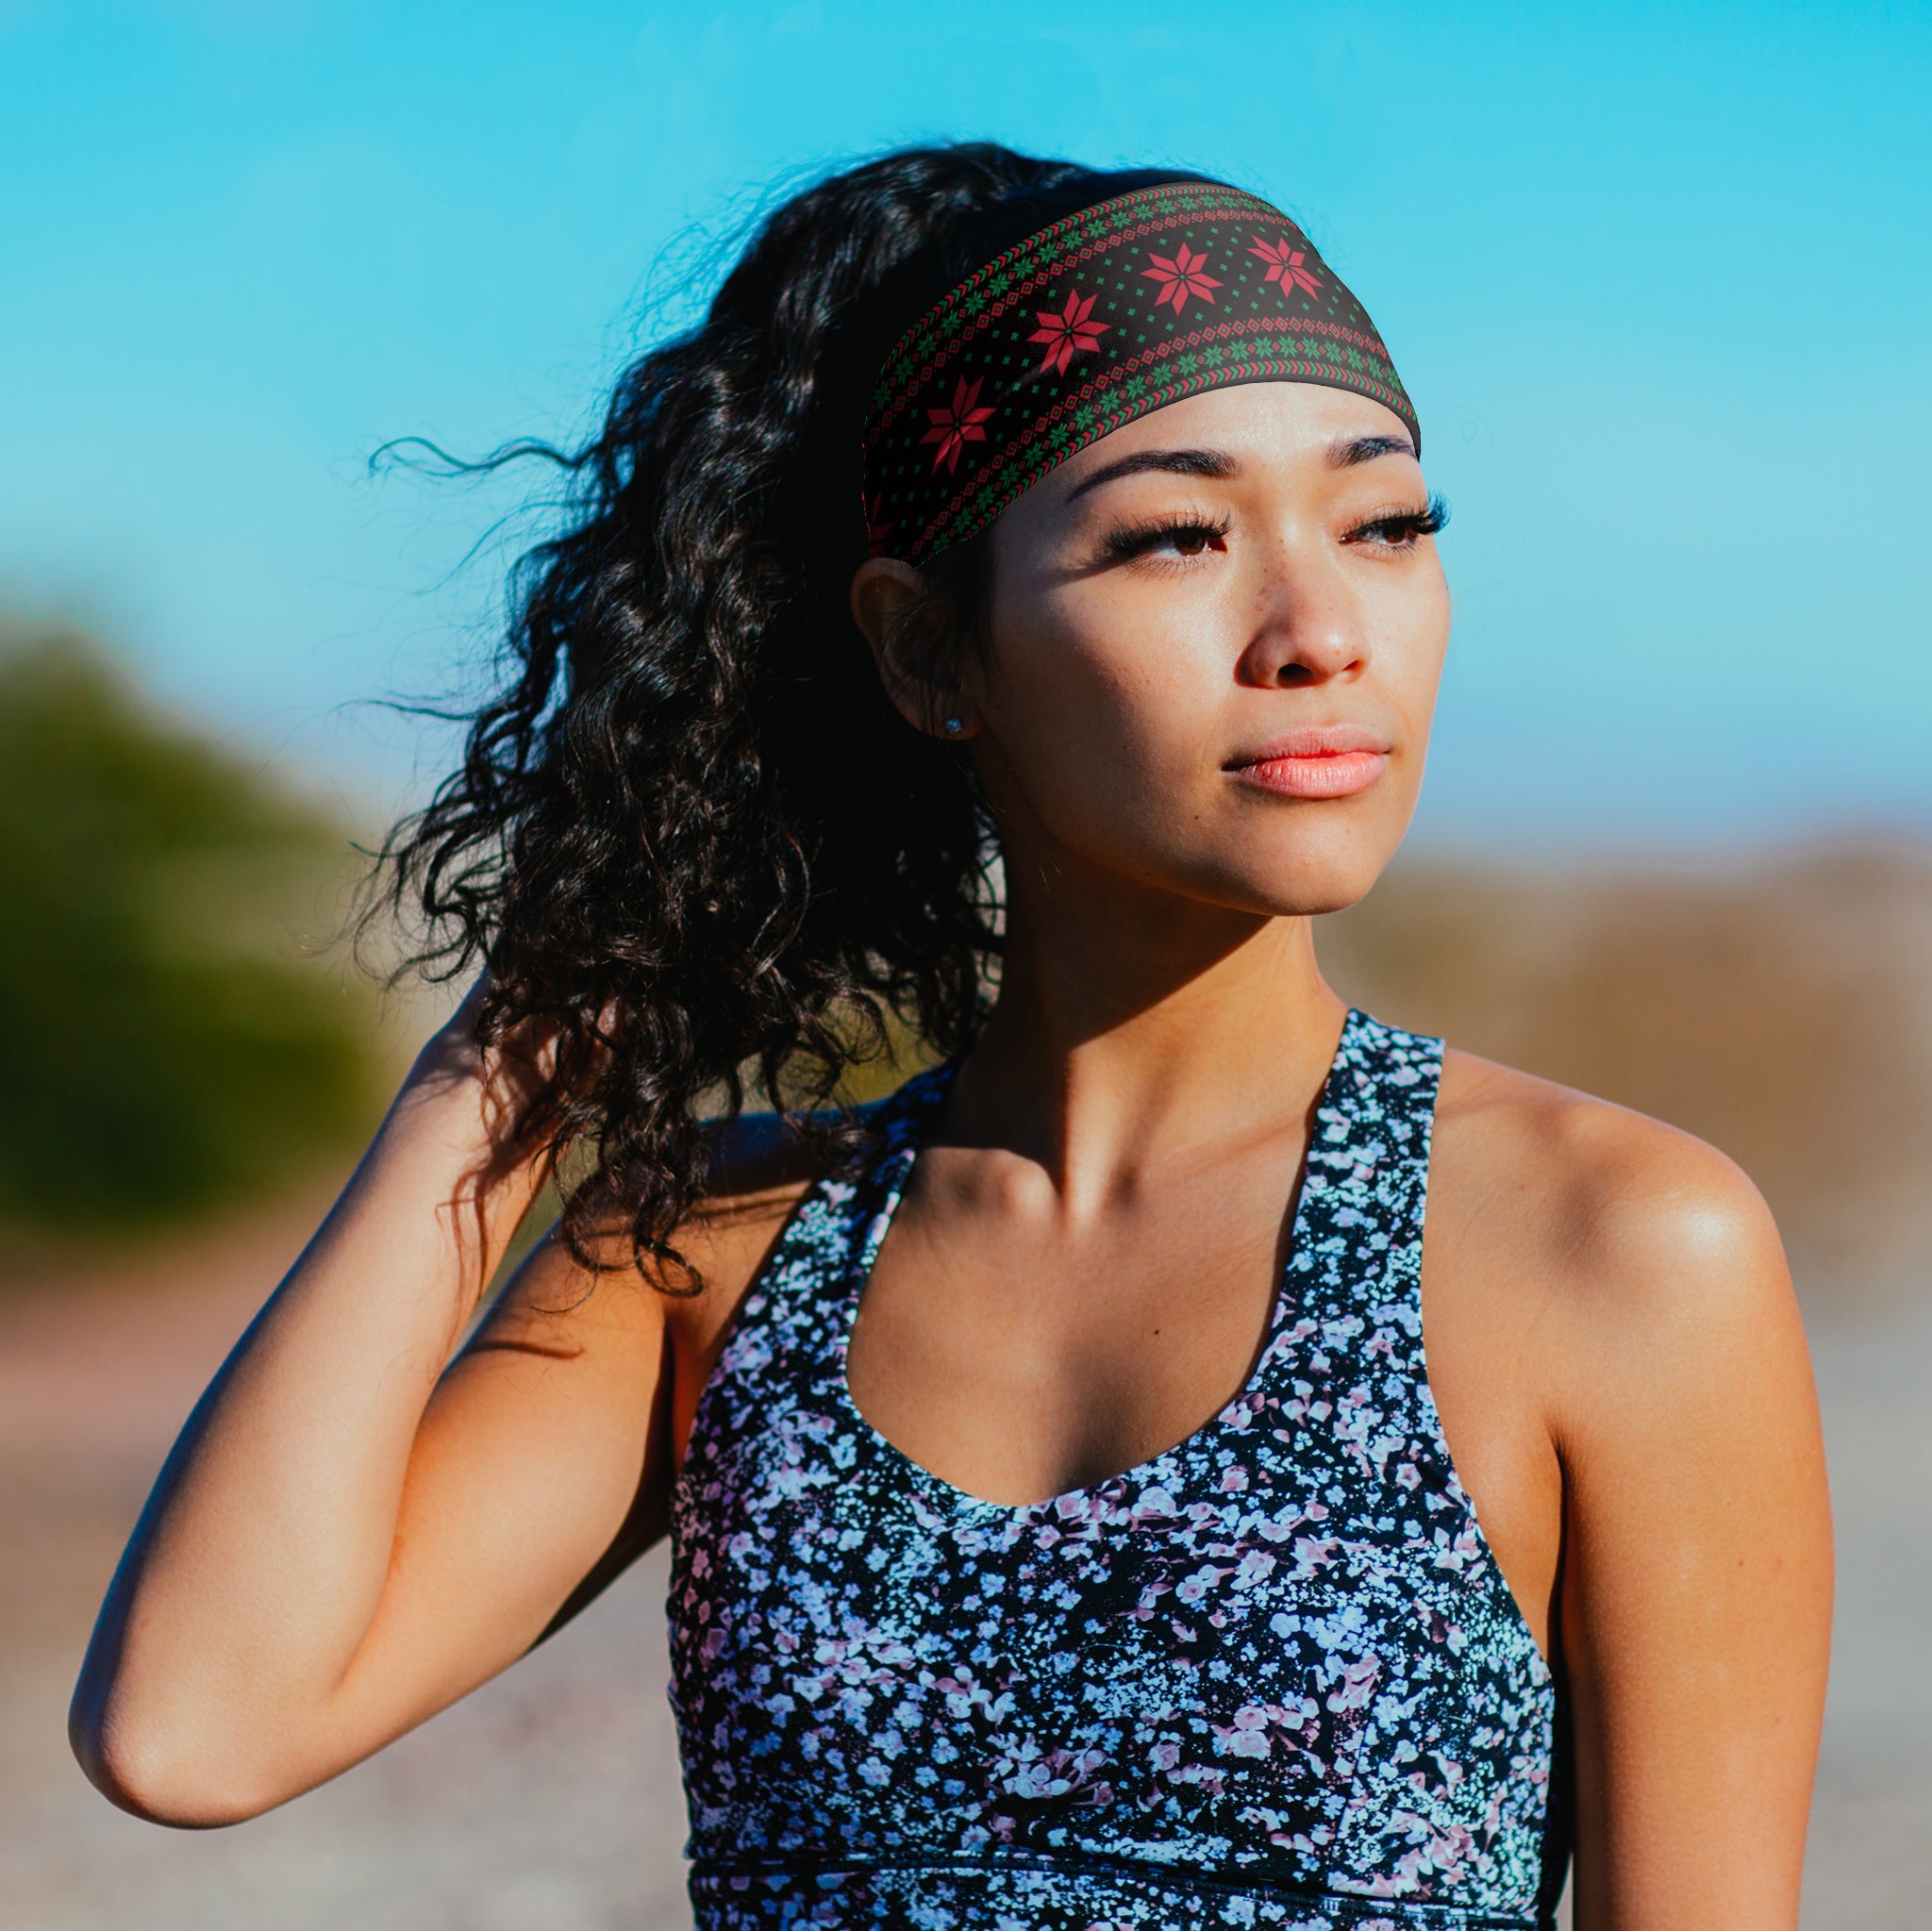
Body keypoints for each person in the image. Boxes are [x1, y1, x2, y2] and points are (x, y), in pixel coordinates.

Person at [70, 144, 1832, 1930]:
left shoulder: (1610, 1247)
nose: (1320, 632)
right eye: (1177, 537)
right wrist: (530, 1040)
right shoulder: (714, 1262)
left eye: (1386, 525)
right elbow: (195, 1728)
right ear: (928, 651)